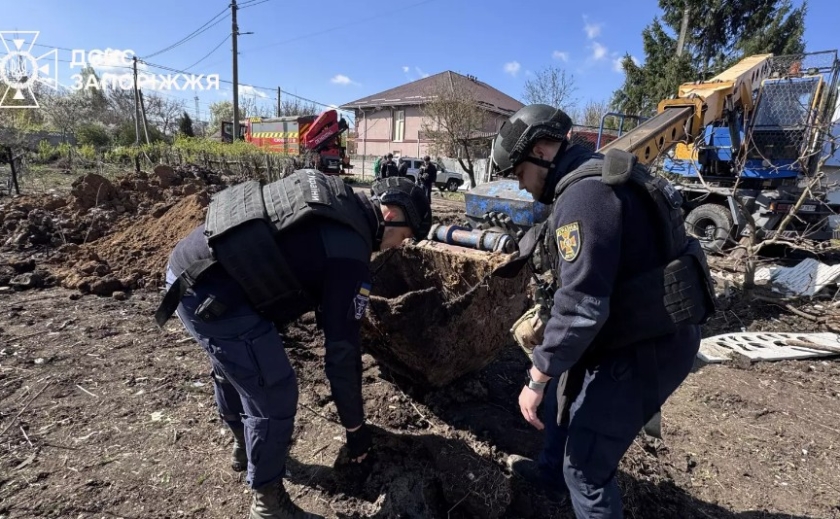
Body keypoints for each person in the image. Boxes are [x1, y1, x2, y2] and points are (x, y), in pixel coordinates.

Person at [154, 170, 432, 519]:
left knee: (235, 368)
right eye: (404, 237)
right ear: (391, 213)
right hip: (213, 298)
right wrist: (355, 429)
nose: (399, 245)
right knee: (274, 390)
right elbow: (342, 353)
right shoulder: (350, 255)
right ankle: (268, 503)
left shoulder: (336, 197)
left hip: (186, 268)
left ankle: (244, 446)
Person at [491, 104, 716, 518]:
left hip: (644, 346)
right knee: (564, 397)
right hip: (623, 328)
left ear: (542, 150)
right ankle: (549, 476)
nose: (520, 186)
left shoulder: (585, 196)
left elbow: (582, 305)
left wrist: (536, 376)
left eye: (519, 173)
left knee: (586, 468)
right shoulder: (592, 175)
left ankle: (570, 481)